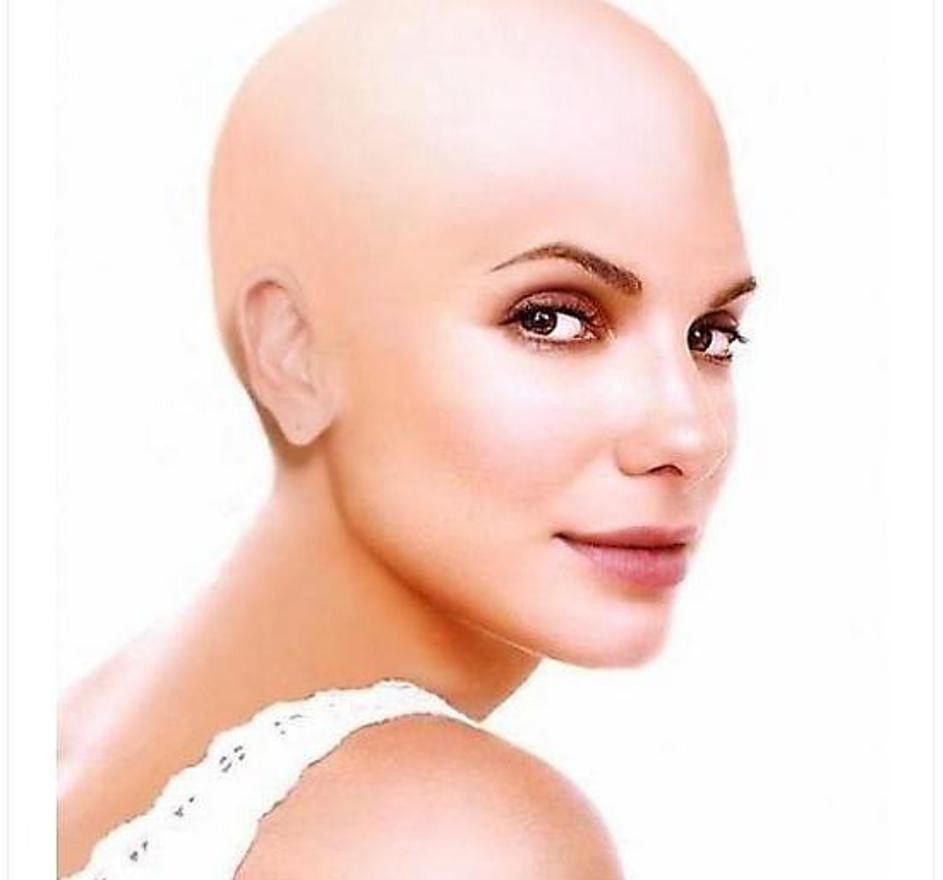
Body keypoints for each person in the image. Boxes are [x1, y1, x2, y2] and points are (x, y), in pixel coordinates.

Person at [57, 0, 758, 876]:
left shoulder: (68, 742)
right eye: (550, 317)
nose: (688, 433)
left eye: (710, 335)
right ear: (294, 355)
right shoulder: (454, 835)